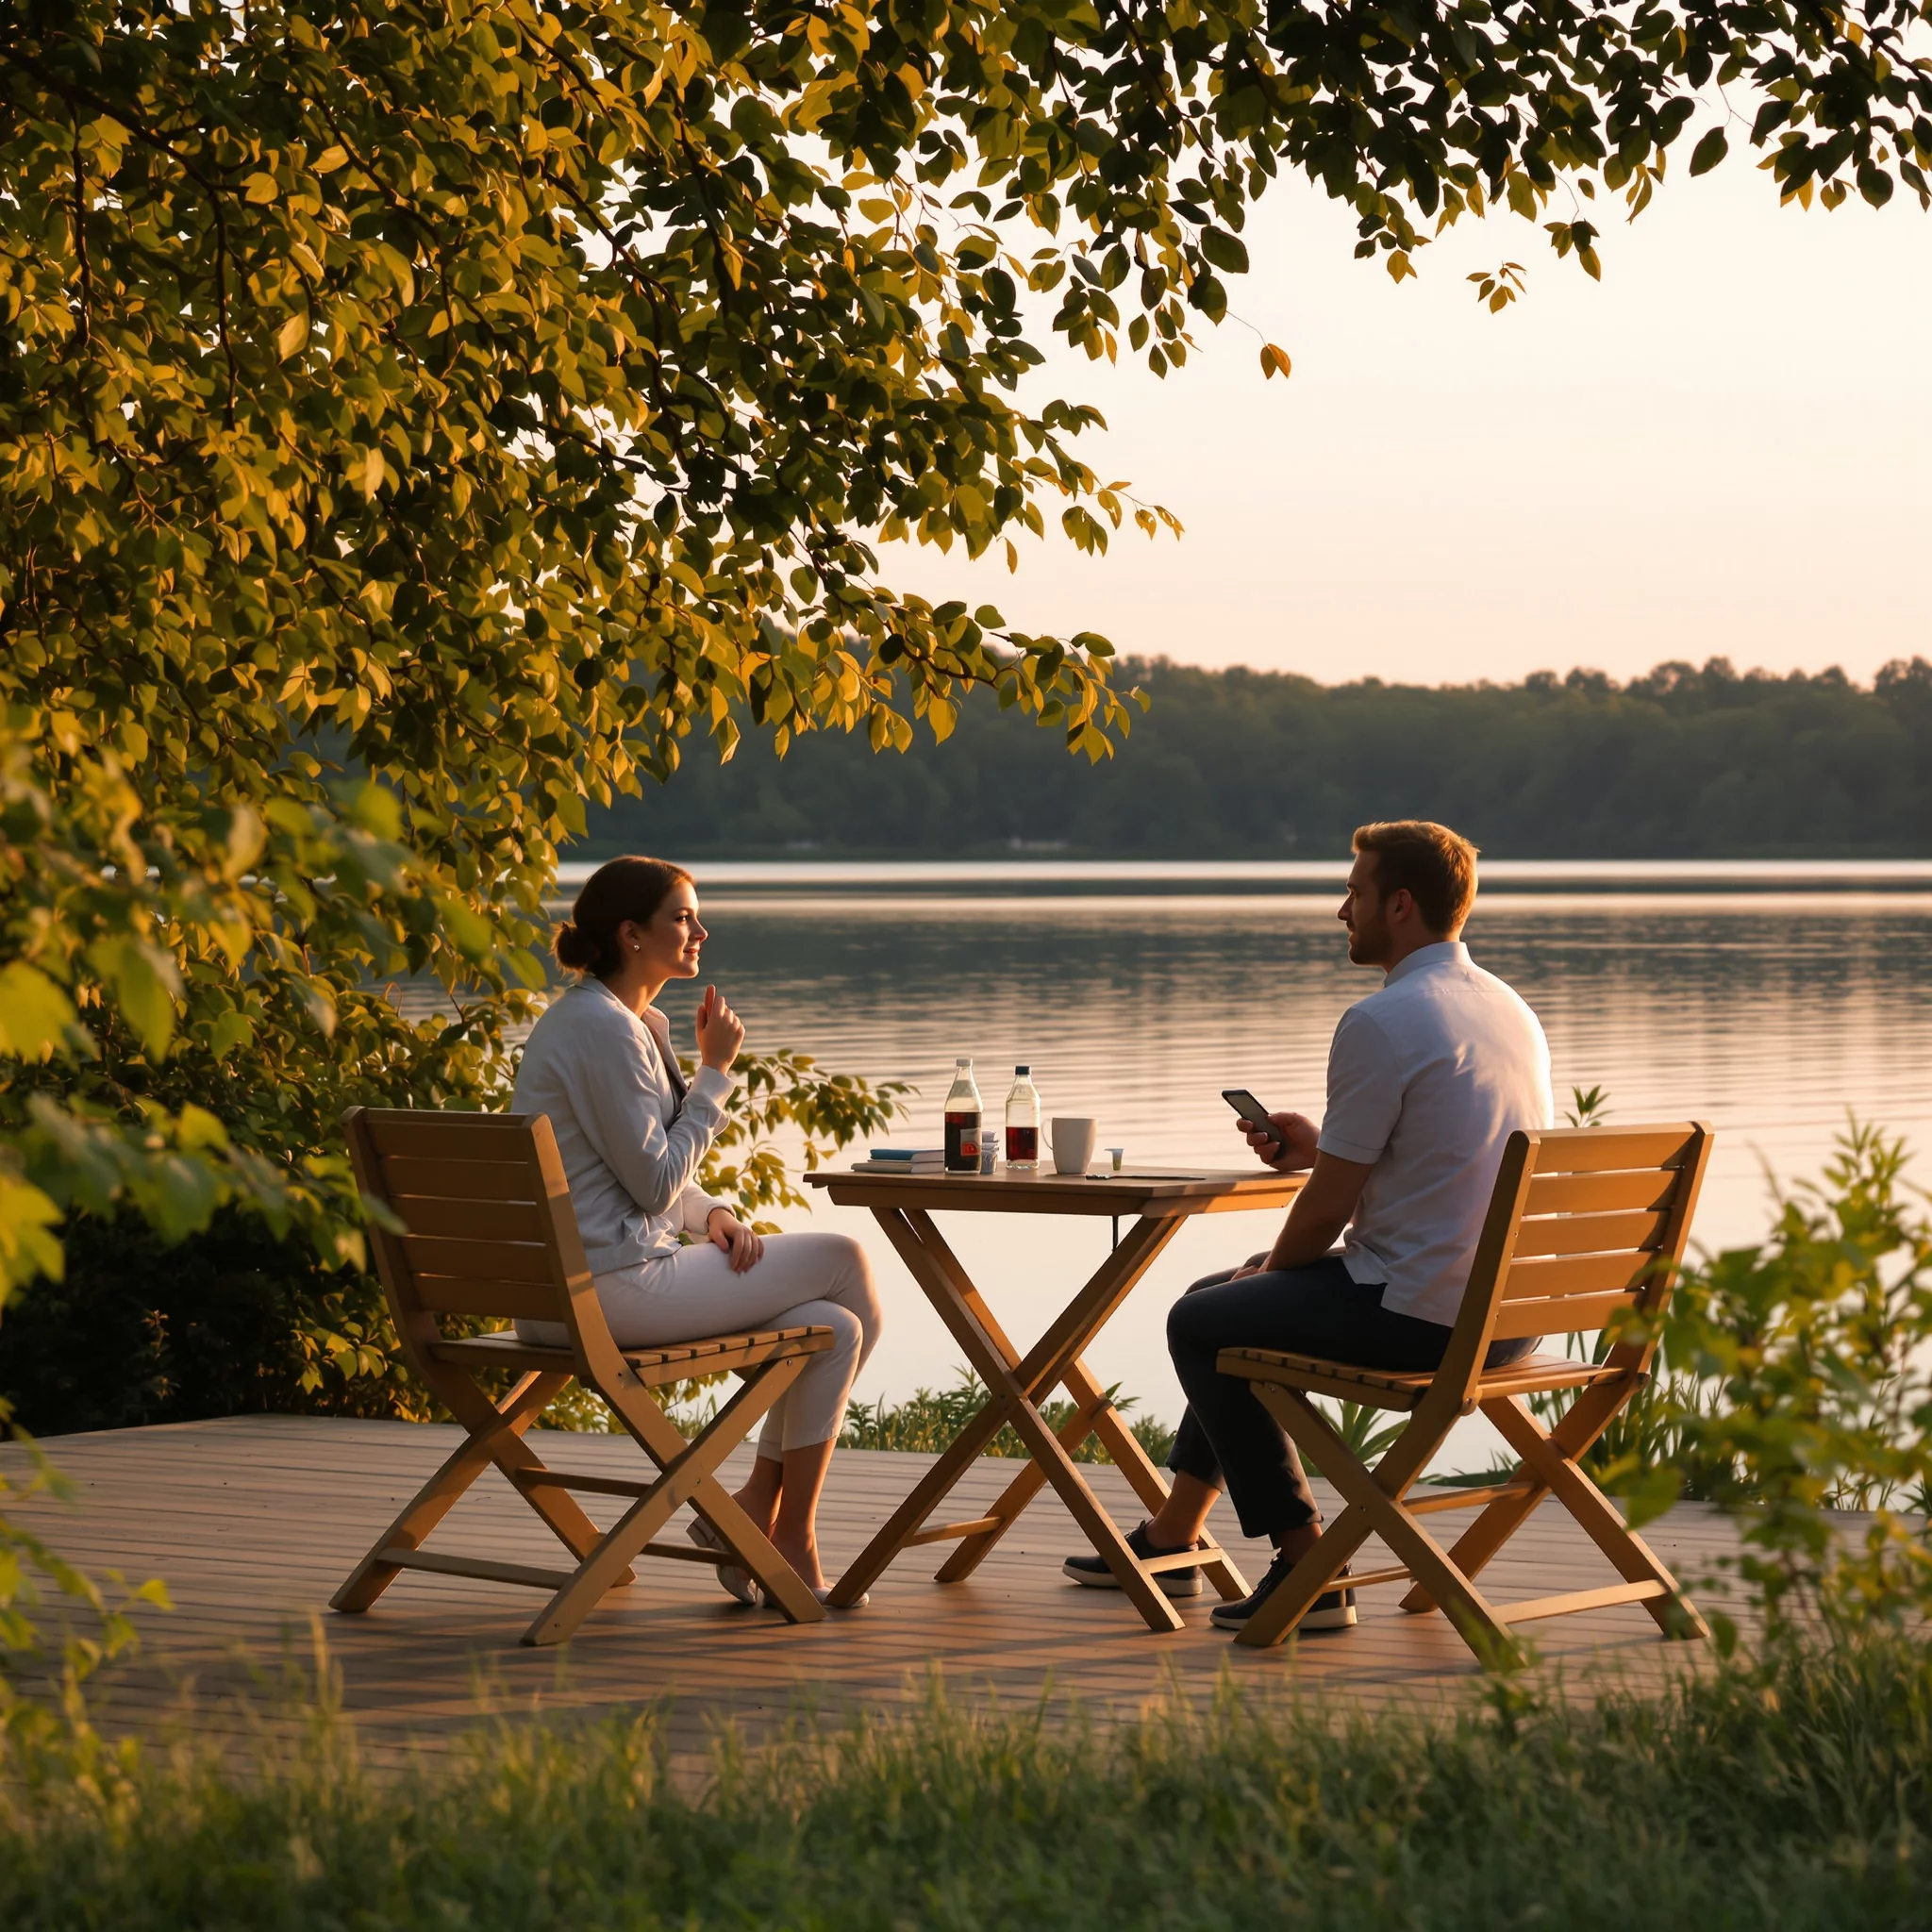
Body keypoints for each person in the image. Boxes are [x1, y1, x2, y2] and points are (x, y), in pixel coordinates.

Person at [1063, 820, 1553, 1632]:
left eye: (1354, 892)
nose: (1341, 910)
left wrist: (1277, 1271)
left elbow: (1326, 1210)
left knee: (1202, 1319)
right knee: (1222, 1297)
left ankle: (1308, 1565)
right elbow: (1440, 1158)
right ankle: (1175, 1533)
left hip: (1428, 1320)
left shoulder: (1383, 1020)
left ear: (1399, 905)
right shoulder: (1508, 1011)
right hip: (1509, 1317)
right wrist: (1322, 1150)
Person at [511, 856, 882, 1607]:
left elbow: (629, 1170)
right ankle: (781, 1531)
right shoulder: (604, 1031)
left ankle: (764, 1518)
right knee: (844, 1258)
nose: (700, 931)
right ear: (629, 933)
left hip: (570, 1288)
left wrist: (709, 1211)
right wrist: (714, 1076)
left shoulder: (616, 1022)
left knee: (831, 1326)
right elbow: (649, 1181)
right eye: (682, 917)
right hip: (609, 1290)